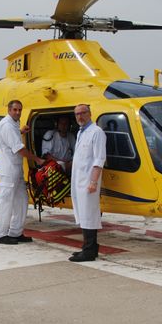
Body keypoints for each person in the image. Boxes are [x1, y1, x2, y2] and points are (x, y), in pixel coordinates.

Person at [0, 100, 44, 245]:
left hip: (16, 169)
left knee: (22, 200)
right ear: (9, 110)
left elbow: (11, 138)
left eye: (19, 110)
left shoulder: (13, 124)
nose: (18, 112)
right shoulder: (7, 125)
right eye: (15, 110)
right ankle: (0, 235)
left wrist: (20, 131)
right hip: (8, 170)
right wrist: (37, 160)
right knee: (5, 202)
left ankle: (15, 233)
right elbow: (19, 149)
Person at [69, 104, 107, 262]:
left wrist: (93, 181)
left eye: (83, 113)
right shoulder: (81, 132)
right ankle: (89, 248)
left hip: (89, 181)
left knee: (89, 215)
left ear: (90, 114)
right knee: (83, 214)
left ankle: (89, 251)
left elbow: (99, 158)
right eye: (77, 114)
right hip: (79, 180)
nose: (80, 116)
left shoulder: (96, 132)